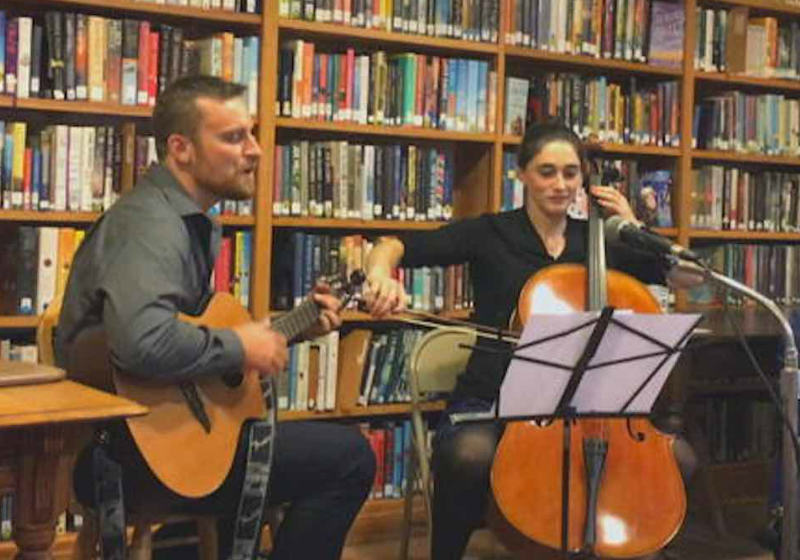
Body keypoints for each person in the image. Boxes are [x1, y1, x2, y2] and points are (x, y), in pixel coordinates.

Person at [55, 76, 375, 560]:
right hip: (125, 455)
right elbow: (141, 344)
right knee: (349, 459)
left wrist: (294, 326)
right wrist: (244, 347)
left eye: (251, 133)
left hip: (166, 436)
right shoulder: (151, 226)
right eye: (233, 137)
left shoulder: (189, 219)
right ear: (180, 148)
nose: (256, 151)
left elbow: (193, 330)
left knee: (259, 439)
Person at [365, 120, 696, 559]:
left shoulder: (598, 238)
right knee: (467, 456)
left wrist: (633, 226)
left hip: (591, 411)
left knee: (682, 460)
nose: (560, 184)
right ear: (521, 174)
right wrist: (377, 275)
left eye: (570, 173)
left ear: (583, 177)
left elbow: (691, 276)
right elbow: (393, 245)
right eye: (546, 172)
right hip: (493, 402)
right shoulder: (491, 233)